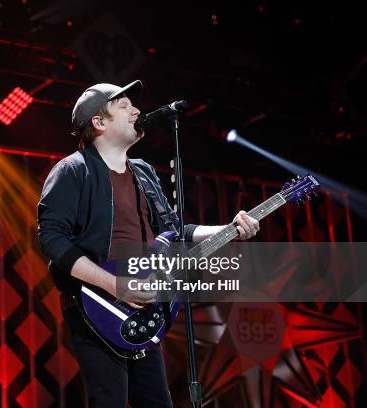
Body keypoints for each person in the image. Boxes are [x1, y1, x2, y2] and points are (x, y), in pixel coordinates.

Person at [37, 80, 259, 407]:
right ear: (99, 122)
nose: (137, 111)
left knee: (157, 401)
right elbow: (52, 238)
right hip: (96, 306)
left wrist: (228, 229)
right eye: (124, 106)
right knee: (108, 399)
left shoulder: (143, 172)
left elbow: (174, 230)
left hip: (142, 303)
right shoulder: (73, 169)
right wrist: (115, 285)